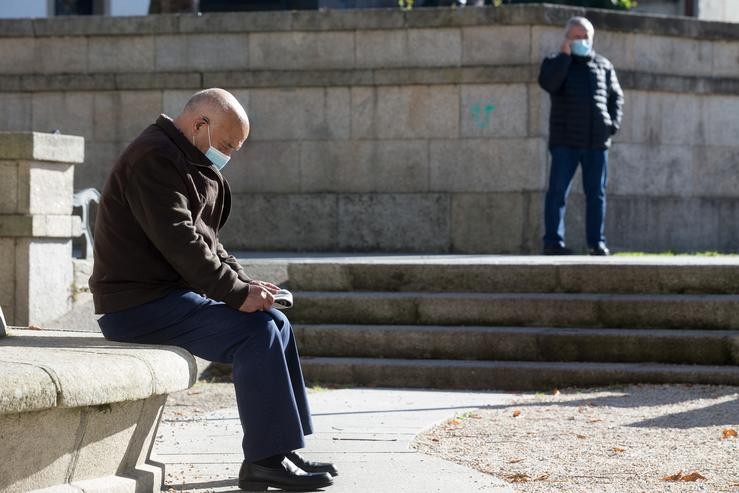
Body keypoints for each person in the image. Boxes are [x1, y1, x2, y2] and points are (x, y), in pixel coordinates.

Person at [89, 88, 336, 491]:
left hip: (168, 297)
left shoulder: (184, 158)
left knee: (275, 323)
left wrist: (246, 284)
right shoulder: (153, 159)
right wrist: (237, 294)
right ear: (198, 124)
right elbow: (181, 243)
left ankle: (281, 449)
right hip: (136, 307)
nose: (228, 156)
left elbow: (209, 241)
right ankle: (263, 461)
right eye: (225, 145)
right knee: (256, 333)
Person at [538, 16, 624, 256]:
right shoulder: (554, 63)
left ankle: (597, 243)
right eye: (576, 37)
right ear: (566, 39)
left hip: (597, 141)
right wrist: (565, 57)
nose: (582, 41)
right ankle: (553, 242)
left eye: (585, 36)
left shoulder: (603, 65)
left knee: (596, 195)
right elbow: (549, 84)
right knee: (557, 192)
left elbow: (616, 96)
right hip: (566, 141)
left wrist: (611, 125)